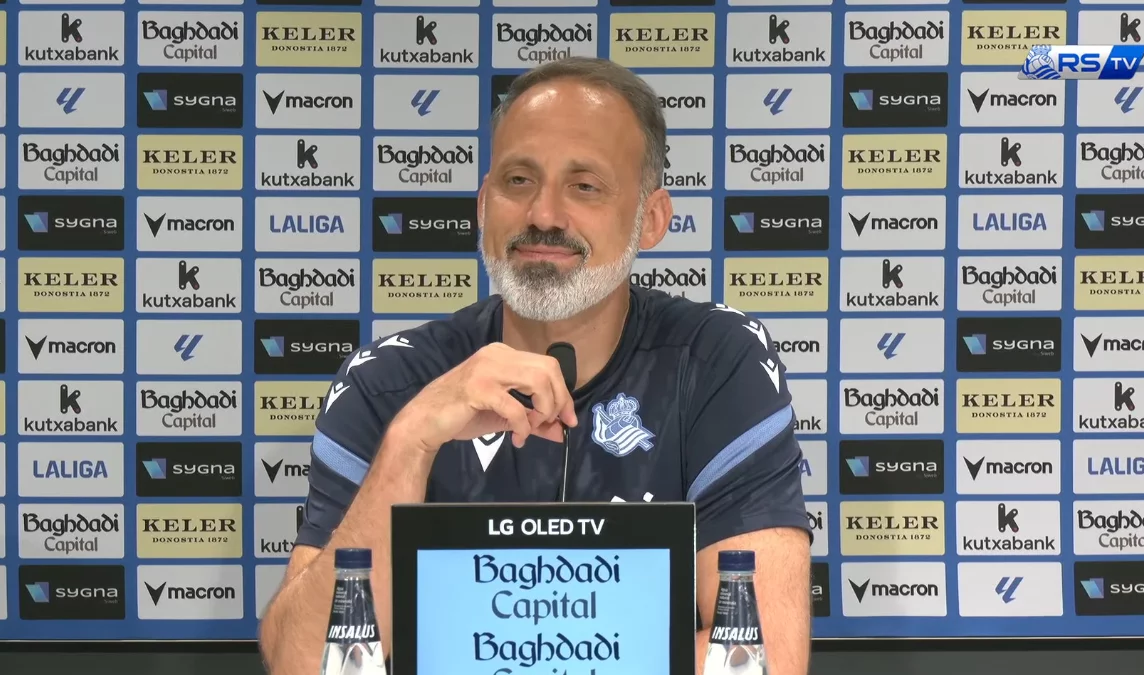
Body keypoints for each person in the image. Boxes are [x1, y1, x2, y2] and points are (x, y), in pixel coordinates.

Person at [259, 56, 813, 675]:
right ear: (482, 205)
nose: (544, 215)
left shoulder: (716, 362)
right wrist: (409, 445)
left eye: (585, 186)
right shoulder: (387, 383)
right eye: (518, 180)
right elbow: (302, 663)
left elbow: (762, 658)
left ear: (651, 219)